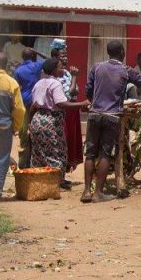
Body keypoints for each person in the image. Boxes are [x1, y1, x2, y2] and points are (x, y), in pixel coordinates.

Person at [83, 40, 141, 203]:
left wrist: (95, 103)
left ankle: (86, 191)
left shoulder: (96, 67)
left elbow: (88, 90)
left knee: (90, 154)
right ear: (122, 52)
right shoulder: (125, 70)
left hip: (94, 115)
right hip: (112, 116)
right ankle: (98, 193)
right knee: (106, 154)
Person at [28, 59, 89, 185]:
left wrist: (30, 123)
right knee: (57, 152)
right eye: (61, 67)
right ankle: (55, 182)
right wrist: (82, 103)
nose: (63, 70)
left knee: (39, 152)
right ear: (54, 70)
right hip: (51, 122)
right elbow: (61, 103)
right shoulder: (55, 84)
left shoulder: (38, 83)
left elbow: (33, 106)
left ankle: (39, 181)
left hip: (37, 120)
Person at [0, 55, 24, 201]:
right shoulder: (12, 83)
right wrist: (15, 126)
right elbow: (19, 109)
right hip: (4, 126)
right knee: (2, 160)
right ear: (6, 65)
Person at [51, 40, 83, 184]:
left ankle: (63, 173)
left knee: (71, 141)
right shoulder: (56, 75)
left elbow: (75, 91)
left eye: (66, 55)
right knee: (62, 141)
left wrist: (73, 78)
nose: (65, 58)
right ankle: (58, 176)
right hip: (64, 111)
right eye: (62, 56)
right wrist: (75, 77)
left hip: (72, 111)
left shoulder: (67, 73)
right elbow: (68, 94)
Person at [13, 48, 42, 169]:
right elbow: (51, 60)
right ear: (33, 56)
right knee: (36, 126)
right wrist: (38, 52)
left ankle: (24, 156)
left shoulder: (18, 70)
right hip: (36, 100)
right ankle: (34, 154)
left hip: (24, 100)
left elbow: (16, 85)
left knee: (24, 127)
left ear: (22, 57)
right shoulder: (37, 66)